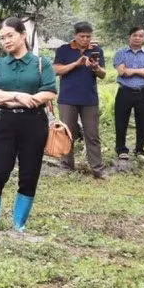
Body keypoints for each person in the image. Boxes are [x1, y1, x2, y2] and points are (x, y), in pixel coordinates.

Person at [0, 18, 57, 232]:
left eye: (10, 35)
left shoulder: (41, 63)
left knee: (29, 172)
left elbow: (49, 91)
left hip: (34, 122)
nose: (6, 41)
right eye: (2, 38)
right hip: (6, 122)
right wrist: (17, 96)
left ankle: (18, 223)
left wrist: (25, 99)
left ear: (23, 35)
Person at [53, 21, 107, 179]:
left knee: (92, 135)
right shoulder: (64, 50)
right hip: (67, 99)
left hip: (89, 99)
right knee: (67, 134)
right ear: (74, 36)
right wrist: (76, 64)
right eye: (82, 36)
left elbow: (103, 75)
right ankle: (66, 167)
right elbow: (56, 70)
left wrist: (96, 68)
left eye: (88, 36)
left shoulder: (96, 50)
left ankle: (98, 169)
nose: (85, 39)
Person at [113, 26, 144, 163]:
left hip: (143, 92)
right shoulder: (121, 53)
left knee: (143, 122)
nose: (137, 38)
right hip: (124, 92)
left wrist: (131, 70)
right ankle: (121, 150)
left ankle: (139, 150)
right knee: (121, 122)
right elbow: (122, 72)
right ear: (129, 37)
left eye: (140, 36)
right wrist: (142, 70)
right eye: (134, 35)